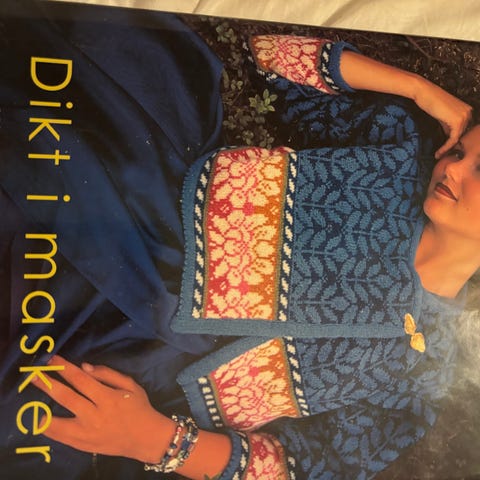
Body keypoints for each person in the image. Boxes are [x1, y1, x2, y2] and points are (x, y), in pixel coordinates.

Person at [1, 3, 478, 479]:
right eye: (459, 150)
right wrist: (420, 90)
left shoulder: (432, 374)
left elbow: (310, 465)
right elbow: (273, 58)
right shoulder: (401, 150)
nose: (453, 168)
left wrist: (154, 439)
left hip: (138, 364)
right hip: (143, 211)